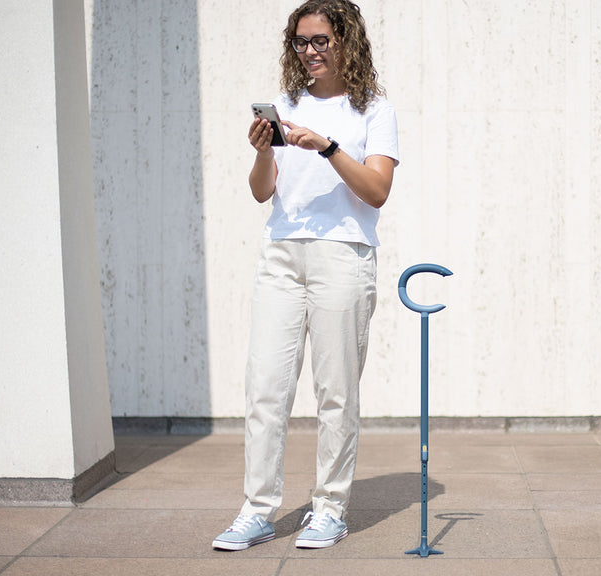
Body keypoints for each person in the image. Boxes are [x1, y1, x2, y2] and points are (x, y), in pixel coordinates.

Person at [212, 0, 398, 552]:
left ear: (346, 41)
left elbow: (377, 190)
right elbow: (261, 191)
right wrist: (264, 151)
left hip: (342, 255)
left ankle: (330, 509)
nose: (309, 51)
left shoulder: (373, 110)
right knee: (265, 387)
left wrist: (328, 147)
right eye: (300, 41)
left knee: (336, 392)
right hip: (282, 255)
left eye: (320, 40)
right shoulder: (288, 103)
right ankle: (258, 510)